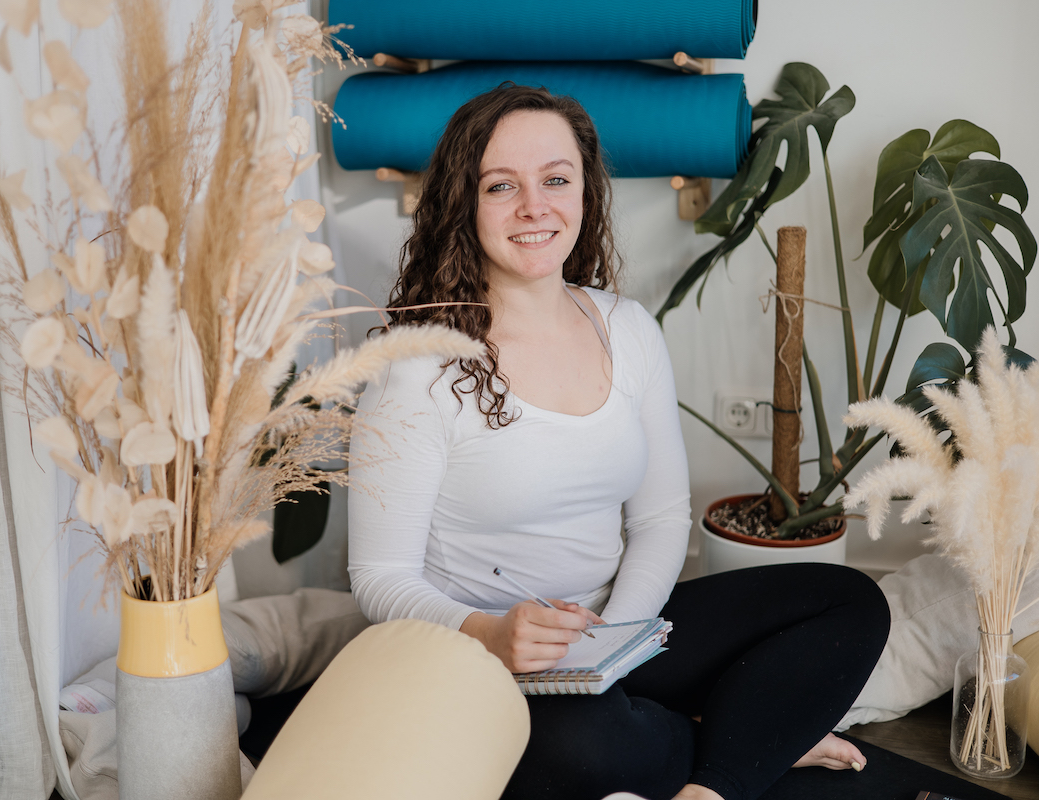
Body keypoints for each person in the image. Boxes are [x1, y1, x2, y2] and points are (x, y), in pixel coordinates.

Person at [347, 84, 890, 800]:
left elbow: (661, 518)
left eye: (556, 180)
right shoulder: (417, 366)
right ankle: (748, 742)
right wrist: (489, 633)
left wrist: (616, 640)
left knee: (850, 603)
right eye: (501, 185)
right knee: (590, 753)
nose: (534, 207)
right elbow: (380, 577)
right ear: (462, 202)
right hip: (483, 656)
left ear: (585, 194)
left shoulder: (626, 327)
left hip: (614, 625)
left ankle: (708, 782)